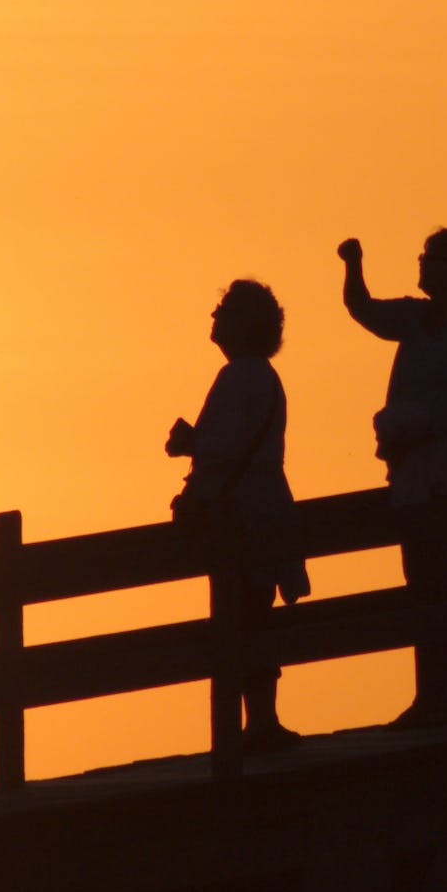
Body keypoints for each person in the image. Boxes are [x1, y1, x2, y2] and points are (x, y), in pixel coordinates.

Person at [338, 229, 447, 727]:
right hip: (413, 468)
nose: (423, 263)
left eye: (432, 258)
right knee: (422, 578)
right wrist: (353, 265)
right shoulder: (412, 316)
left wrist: (416, 431)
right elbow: (363, 309)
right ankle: (431, 695)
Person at [168, 280, 311, 749]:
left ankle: (256, 724)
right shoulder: (260, 374)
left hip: (243, 514)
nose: (214, 317)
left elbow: (227, 448)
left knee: (241, 616)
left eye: (224, 311)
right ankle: (260, 721)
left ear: (245, 325)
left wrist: (189, 443)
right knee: (253, 614)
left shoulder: (240, 375)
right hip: (263, 506)